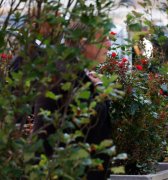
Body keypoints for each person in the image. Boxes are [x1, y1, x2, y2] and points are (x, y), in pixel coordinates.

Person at [32, 21, 112, 179]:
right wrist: (100, 91)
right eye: (103, 39)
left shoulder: (73, 71)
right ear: (83, 43)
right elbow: (90, 123)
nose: (109, 44)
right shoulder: (67, 75)